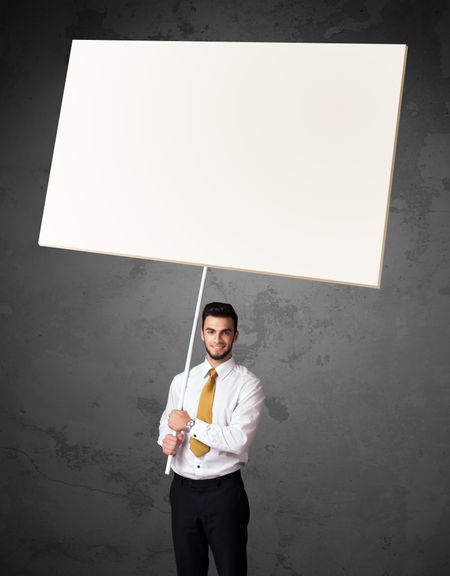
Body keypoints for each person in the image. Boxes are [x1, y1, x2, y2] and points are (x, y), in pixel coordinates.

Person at [158, 302, 264, 576]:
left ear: (235, 336)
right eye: (211, 331)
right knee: (188, 571)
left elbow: (238, 439)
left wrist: (191, 424)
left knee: (231, 570)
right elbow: (167, 422)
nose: (218, 339)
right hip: (182, 492)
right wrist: (165, 441)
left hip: (224, 494)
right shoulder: (182, 380)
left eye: (225, 332)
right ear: (202, 334)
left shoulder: (248, 384)